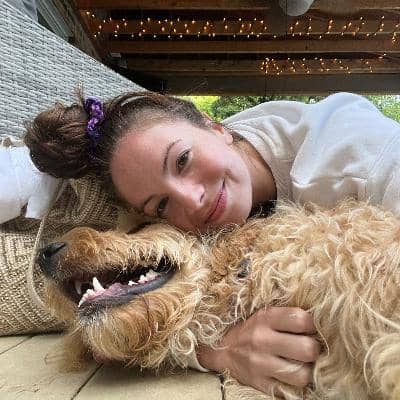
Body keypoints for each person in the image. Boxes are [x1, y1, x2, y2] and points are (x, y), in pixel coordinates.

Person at [24, 90, 400, 395]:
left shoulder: (362, 156)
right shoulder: (194, 211)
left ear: (216, 127)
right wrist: (217, 350)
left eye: (182, 161)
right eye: (161, 205)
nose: (193, 200)